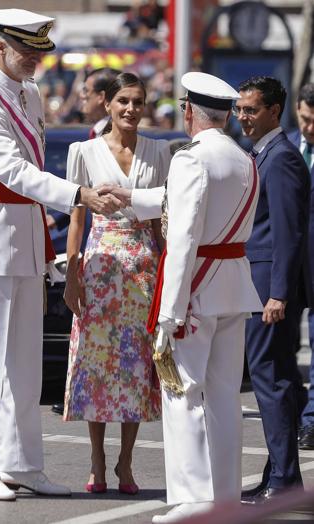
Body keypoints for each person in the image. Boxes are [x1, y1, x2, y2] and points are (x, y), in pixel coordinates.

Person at [0, 8, 121, 501]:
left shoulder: (28, 94)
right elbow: (12, 172)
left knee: (24, 362)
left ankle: (21, 463)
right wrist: (79, 194)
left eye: (38, 53)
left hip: (23, 234)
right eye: (26, 52)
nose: (35, 62)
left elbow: (29, 174)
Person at [101, 71, 263, 523]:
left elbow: (185, 235)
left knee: (183, 393)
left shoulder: (192, 158)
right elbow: (179, 202)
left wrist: (169, 313)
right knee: (225, 396)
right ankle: (226, 497)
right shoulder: (243, 157)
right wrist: (130, 196)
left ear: (190, 112)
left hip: (196, 290)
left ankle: (193, 502)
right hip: (232, 284)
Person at [62, 72, 171, 495]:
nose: (130, 109)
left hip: (142, 266)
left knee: (134, 366)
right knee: (94, 364)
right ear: (107, 104)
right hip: (101, 267)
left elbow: (162, 220)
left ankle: (126, 462)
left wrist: (167, 273)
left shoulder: (159, 151)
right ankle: (97, 458)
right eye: (123, 100)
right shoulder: (84, 151)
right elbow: (76, 218)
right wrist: (73, 274)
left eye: (138, 101)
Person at [234, 76, 311, 504]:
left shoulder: (280, 158)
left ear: (274, 111)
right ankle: (279, 476)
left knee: (270, 380)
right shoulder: (262, 153)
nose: (243, 117)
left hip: (268, 289)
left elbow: (288, 234)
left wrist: (278, 294)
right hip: (260, 283)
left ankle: (284, 483)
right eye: (239, 109)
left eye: (251, 109)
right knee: (273, 378)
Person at [50, 67, 120, 416]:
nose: (81, 99)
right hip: (92, 245)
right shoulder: (87, 139)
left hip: (120, 251)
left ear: (103, 99)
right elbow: (79, 197)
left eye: (86, 92)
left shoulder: (118, 138)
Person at [288, 83, 314, 449]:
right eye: (306, 120)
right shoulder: (286, 146)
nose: (310, 128)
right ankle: (291, 411)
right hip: (286, 266)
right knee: (281, 347)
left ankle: (311, 421)